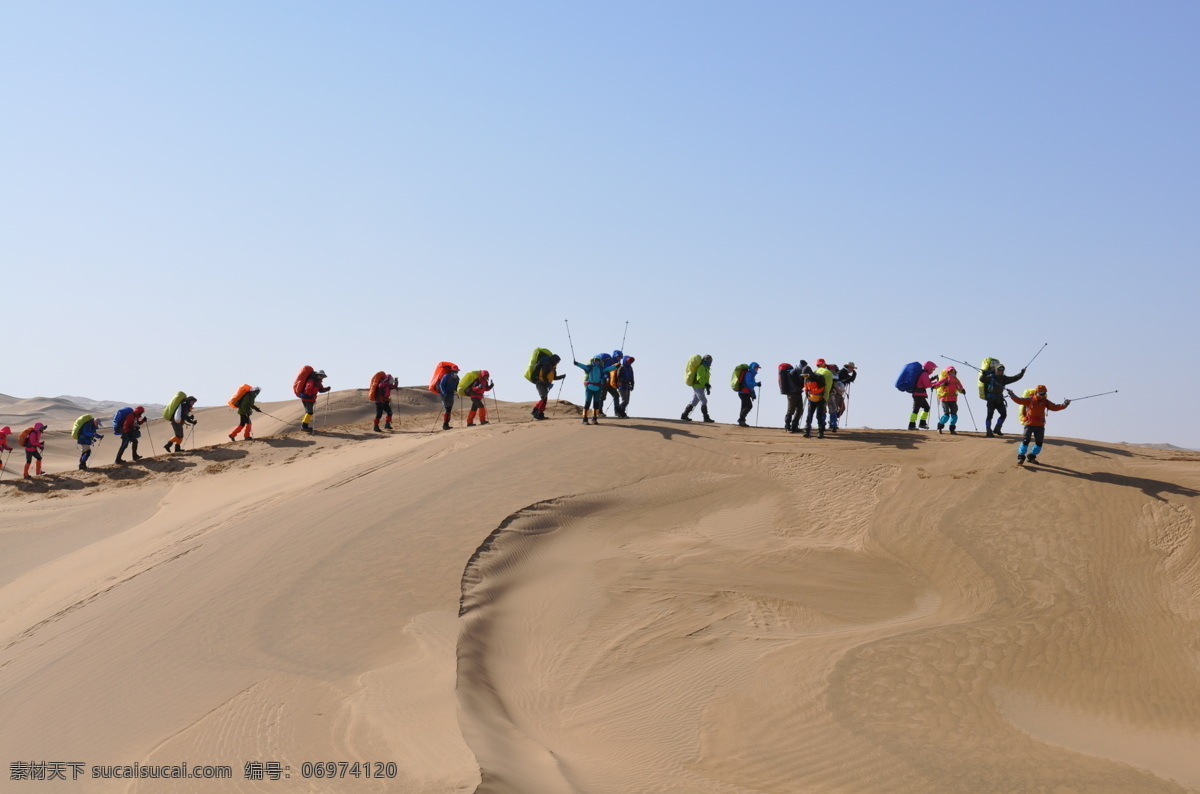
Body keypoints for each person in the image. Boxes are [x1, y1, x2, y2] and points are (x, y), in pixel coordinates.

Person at [1007, 385, 1070, 465]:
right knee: (1026, 441)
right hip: (1029, 424)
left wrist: (1065, 404)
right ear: (1036, 392)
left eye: (1044, 394)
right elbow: (1019, 400)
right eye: (1041, 393)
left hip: (1040, 426)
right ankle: (1021, 457)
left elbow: (1054, 407)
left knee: (1039, 443)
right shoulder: (1029, 399)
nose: (1042, 395)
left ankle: (1031, 457)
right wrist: (1012, 394)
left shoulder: (1045, 401)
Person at [981, 364, 1026, 437]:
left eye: (1002, 370)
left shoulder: (1004, 378)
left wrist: (1022, 373)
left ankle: (997, 429)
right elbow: (982, 380)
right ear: (996, 370)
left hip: (999, 399)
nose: (1001, 371)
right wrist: (983, 374)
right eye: (999, 370)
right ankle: (988, 431)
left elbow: (1015, 378)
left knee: (1003, 414)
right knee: (990, 415)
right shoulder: (991, 377)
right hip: (991, 399)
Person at [575, 355, 619, 425]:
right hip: (589, 388)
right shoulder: (589, 368)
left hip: (598, 388)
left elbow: (609, 369)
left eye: (598, 360)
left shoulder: (601, 369)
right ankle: (584, 419)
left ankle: (594, 419)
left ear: (600, 361)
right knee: (587, 403)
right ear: (594, 361)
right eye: (596, 360)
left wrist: (615, 366)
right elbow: (583, 366)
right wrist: (577, 363)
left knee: (596, 404)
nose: (597, 362)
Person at [529, 352, 565, 420]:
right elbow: (543, 375)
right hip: (540, 383)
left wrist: (561, 376)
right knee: (543, 398)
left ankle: (540, 414)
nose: (557, 363)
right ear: (554, 360)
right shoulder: (547, 365)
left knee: (545, 399)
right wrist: (548, 383)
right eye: (557, 361)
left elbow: (554, 377)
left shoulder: (553, 367)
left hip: (545, 384)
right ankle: (535, 411)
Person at [930, 367, 966, 434]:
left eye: (953, 371)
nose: (952, 373)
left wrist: (962, 390)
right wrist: (934, 386)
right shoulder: (945, 379)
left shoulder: (956, 380)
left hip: (953, 399)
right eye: (951, 371)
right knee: (946, 414)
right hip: (945, 399)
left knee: (954, 414)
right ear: (948, 372)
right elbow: (939, 384)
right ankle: (940, 427)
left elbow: (959, 387)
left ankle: (952, 429)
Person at [681, 354, 715, 423]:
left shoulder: (705, 368)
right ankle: (706, 417)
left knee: (694, 401)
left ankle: (684, 415)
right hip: (698, 386)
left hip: (700, 386)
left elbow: (704, 379)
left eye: (711, 361)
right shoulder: (702, 367)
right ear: (706, 360)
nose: (710, 363)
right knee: (704, 401)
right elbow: (699, 378)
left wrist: (707, 387)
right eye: (709, 361)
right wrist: (705, 384)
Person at [298, 369, 331, 434]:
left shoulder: (318, 382)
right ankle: (304, 426)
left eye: (322, 376)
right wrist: (310, 395)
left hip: (311, 399)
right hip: (306, 399)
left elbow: (321, 390)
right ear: (317, 375)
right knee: (309, 412)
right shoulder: (311, 381)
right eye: (320, 376)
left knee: (308, 412)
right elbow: (308, 389)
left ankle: (305, 426)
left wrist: (326, 389)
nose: (321, 377)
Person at [907, 361, 938, 430]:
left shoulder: (924, 374)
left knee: (926, 408)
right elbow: (927, 385)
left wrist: (932, 379)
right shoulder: (924, 374)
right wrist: (936, 383)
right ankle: (911, 425)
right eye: (932, 369)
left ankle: (922, 423)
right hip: (919, 394)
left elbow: (925, 382)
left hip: (920, 394)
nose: (933, 370)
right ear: (929, 368)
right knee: (916, 409)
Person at [783, 360, 810, 433]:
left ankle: (794, 426)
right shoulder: (793, 372)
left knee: (800, 409)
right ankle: (787, 426)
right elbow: (797, 383)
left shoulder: (799, 372)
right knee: (791, 410)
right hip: (792, 393)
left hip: (798, 393)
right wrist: (804, 379)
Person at [803, 369, 829, 438]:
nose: (805, 377)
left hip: (820, 399)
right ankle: (807, 431)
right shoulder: (806, 379)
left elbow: (822, 388)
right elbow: (806, 387)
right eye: (803, 375)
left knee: (819, 416)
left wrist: (813, 392)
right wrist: (806, 390)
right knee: (809, 415)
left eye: (806, 375)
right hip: (811, 399)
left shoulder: (818, 377)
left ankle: (820, 432)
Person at [736, 362, 761, 428]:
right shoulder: (749, 374)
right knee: (749, 406)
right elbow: (749, 384)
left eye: (757, 368)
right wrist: (756, 384)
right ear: (753, 368)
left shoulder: (751, 374)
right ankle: (741, 419)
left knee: (744, 406)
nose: (757, 369)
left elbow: (750, 387)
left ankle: (742, 421)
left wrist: (753, 394)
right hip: (743, 393)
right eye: (756, 368)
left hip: (744, 392)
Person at [438, 364, 460, 430]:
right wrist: (444, 393)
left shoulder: (457, 378)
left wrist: (458, 391)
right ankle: (445, 425)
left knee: (449, 409)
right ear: (452, 371)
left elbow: (457, 386)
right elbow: (441, 385)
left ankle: (447, 424)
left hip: (451, 395)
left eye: (457, 371)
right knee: (447, 409)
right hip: (444, 395)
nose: (456, 372)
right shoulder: (446, 376)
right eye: (455, 371)